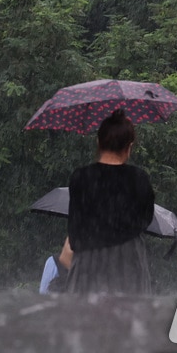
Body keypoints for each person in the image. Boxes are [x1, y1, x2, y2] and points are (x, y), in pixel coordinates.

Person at [62, 109, 155, 295]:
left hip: (88, 265)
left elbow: (75, 227)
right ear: (129, 147)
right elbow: (145, 220)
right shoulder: (139, 179)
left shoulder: (81, 178)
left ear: (98, 142)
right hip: (129, 264)